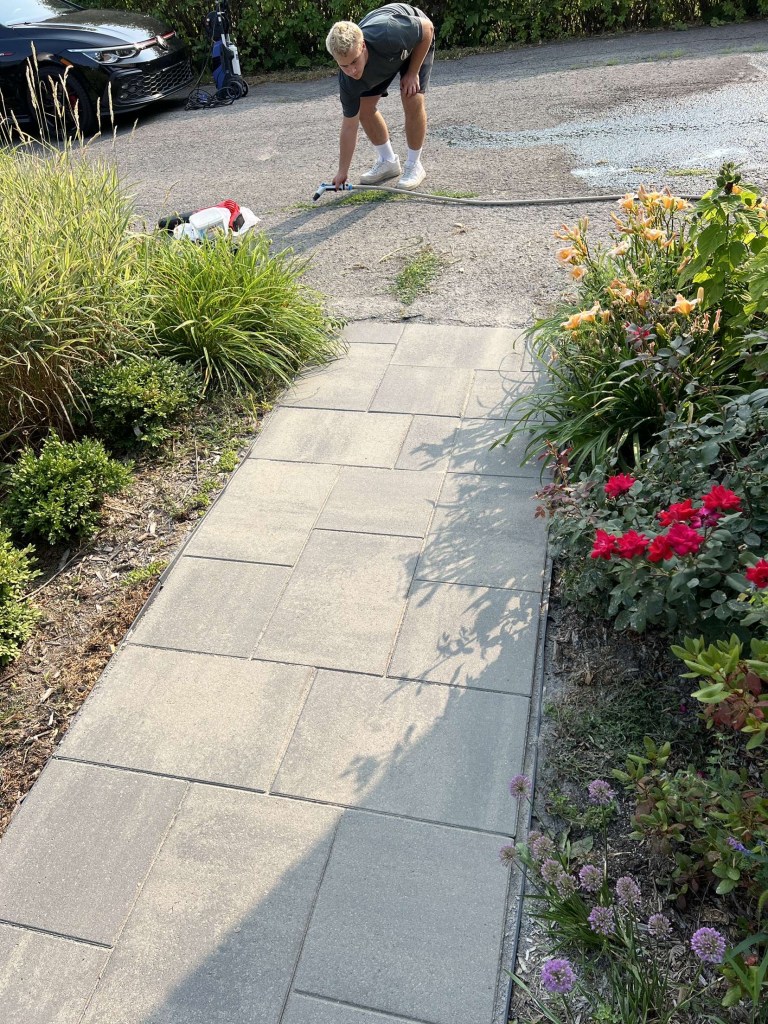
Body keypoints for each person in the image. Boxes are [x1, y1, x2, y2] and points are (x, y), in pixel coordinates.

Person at [326, 4, 435, 191]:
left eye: (354, 61)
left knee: (411, 95)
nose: (352, 70)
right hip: (384, 57)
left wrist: (412, 72)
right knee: (364, 109)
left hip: (414, 40)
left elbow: (427, 28)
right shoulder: (348, 81)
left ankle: (414, 164)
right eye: (344, 66)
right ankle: (388, 161)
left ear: (362, 46)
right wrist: (342, 171)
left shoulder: (388, 32)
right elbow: (349, 126)